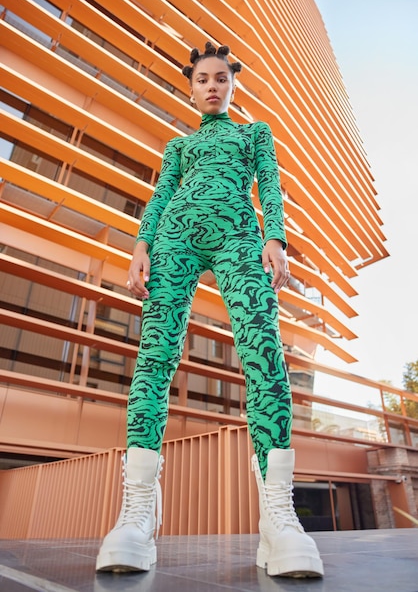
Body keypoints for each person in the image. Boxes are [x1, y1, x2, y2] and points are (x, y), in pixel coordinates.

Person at [95, 42, 324, 578]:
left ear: (232, 84)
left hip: (239, 235)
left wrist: (277, 239)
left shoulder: (254, 134)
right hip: (175, 235)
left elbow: (269, 183)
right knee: (154, 357)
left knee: (263, 350)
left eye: (221, 77)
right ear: (192, 87)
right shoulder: (178, 146)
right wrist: (141, 245)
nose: (212, 86)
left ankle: (278, 517)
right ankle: (137, 514)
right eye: (202, 79)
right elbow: (159, 196)